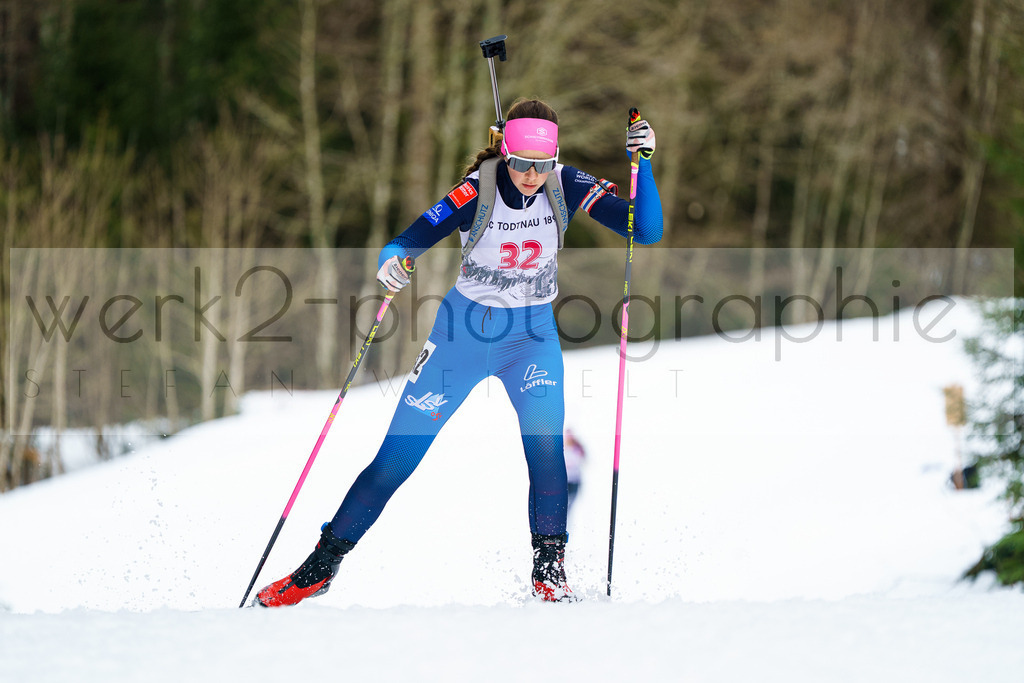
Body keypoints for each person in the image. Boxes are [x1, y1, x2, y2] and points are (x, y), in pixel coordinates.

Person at [255, 98, 662, 606]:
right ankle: (320, 567)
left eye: (540, 165)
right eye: (519, 164)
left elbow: (643, 231)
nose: (530, 176)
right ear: (504, 152)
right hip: (461, 338)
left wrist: (643, 164)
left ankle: (549, 572)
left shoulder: (566, 182)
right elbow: (408, 240)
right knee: (396, 459)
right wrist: (393, 264)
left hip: (531, 339)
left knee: (545, 450)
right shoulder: (477, 190)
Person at [563, 428, 586, 512]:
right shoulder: (561, 449)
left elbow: (584, 458)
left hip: (574, 481)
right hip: (564, 481)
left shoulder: (576, 449)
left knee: (570, 504)